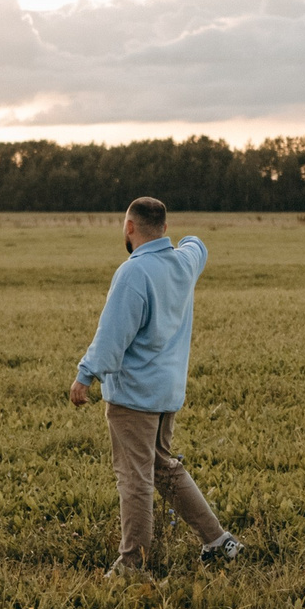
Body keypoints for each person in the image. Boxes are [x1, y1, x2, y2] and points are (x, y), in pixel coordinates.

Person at [68, 197, 239, 576]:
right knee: (163, 468)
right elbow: (197, 244)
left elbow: (112, 334)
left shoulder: (133, 272)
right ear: (164, 228)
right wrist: (181, 242)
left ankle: (132, 563)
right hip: (167, 395)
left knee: (135, 479)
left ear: (130, 228)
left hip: (134, 397)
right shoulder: (184, 262)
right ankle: (218, 541)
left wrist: (86, 374)